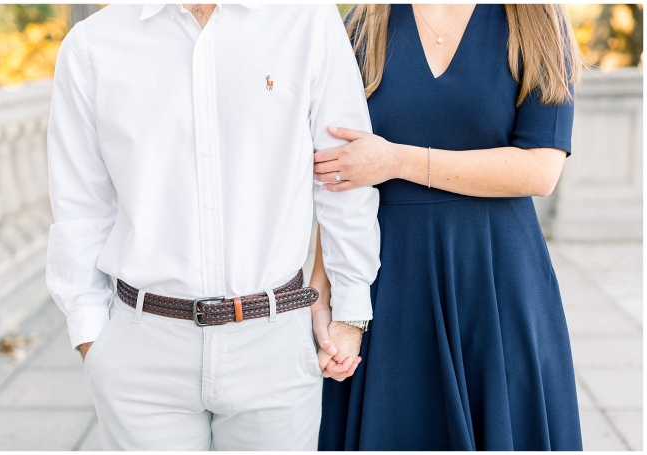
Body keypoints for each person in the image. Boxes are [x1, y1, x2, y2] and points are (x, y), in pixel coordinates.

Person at [46, 4, 380, 450]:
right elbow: (79, 208)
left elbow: (344, 180)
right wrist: (91, 338)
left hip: (274, 344)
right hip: (143, 353)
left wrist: (350, 313)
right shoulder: (92, 46)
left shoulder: (308, 20)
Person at [311, 4, 585, 450]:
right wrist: (328, 296)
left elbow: (540, 170)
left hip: (497, 284)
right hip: (390, 279)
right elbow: (342, 172)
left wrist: (397, 159)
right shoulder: (365, 22)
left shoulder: (535, 18)